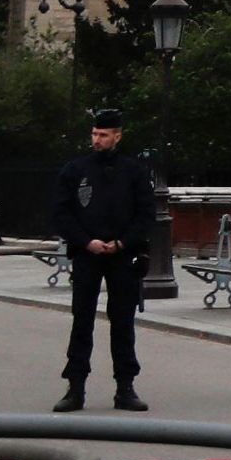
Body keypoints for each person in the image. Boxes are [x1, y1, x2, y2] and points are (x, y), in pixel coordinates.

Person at [52, 107, 158, 414]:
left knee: (123, 322)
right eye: (95, 134)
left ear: (117, 136)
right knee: (82, 320)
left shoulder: (134, 172)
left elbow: (146, 214)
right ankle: (75, 388)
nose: (97, 140)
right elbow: (61, 213)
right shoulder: (75, 170)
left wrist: (124, 242)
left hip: (122, 256)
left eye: (104, 135)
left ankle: (125, 388)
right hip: (88, 254)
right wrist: (87, 242)